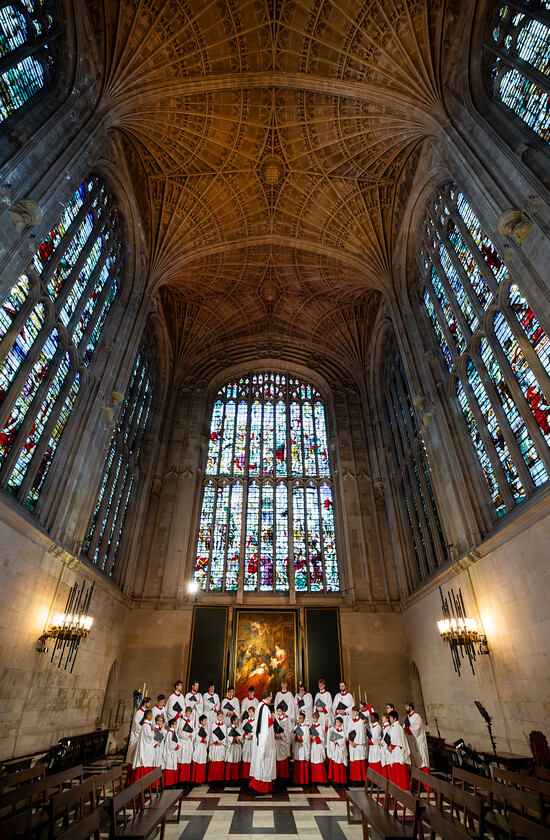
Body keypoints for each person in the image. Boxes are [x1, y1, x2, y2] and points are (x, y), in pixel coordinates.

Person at [249, 689, 276, 795]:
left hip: (259, 738)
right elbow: (264, 727)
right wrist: (264, 744)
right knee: (265, 763)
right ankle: (260, 787)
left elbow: (260, 723)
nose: (272, 698)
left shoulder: (260, 705)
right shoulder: (265, 709)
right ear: (268, 697)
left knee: (262, 763)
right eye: (271, 696)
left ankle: (258, 786)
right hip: (265, 740)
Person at [126, 696, 151, 783]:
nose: (150, 704)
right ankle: (132, 780)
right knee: (134, 758)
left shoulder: (146, 713)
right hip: (137, 737)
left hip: (143, 737)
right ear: (145, 703)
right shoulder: (139, 713)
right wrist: (144, 730)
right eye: (149, 703)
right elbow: (137, 726)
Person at [386, 710, 411, 790]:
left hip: (398, 753)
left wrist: (390, 747)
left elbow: (396, 739)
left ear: (394, 718)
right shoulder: (394, 727)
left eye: (390, 717)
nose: (389, 719)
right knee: (396, 772)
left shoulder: (397, 727)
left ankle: (403, 789)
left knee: (400, 773)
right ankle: (397, 789)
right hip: (394, 752)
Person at [404, 702, 430, 774]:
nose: (405, 708)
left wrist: (407, 729)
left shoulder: (416, 716)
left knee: (421, 761)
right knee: (414, 762)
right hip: (411, 742)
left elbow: (417, 729)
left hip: (418, 743)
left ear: (410, 707)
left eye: (406, 707)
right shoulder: (408, 718)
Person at [133, 709, 155, 781]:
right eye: (151, 715)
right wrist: (153, 731)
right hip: (145, 747)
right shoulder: (146, 725)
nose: (152, 716)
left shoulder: (148, 724)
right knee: (144, 763)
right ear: (148, 716)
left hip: (148, 746)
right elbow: (149, 736)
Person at [347, 706, 367, 784]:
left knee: (360, 763)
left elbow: (361, 733)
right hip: (352, 744)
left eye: (354, 712)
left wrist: (356, 742)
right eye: (352, 711)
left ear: (358, 712)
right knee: (353, 763)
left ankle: (361, 780)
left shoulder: (361, 722)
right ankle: (354, 779)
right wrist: (351, 741)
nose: (353, 713)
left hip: (359, 745)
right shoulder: (350, 721)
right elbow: (348, 731)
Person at [327, 715, 347, 785]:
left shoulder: (343, 732)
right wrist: (333, 741)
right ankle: (335, 781)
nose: (337, 723)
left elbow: (343, 741)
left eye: (338, 722)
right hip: (335, 750)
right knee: (335, 767)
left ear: (341, 723)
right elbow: (331, 739)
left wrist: (337, 742)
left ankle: (341, 781)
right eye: (336, 722)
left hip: (340, 750)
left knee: (340, 766)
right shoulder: (334, 730)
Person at [176, 706, 194, 784]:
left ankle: (187, 780)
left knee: (187, 760)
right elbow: (180, 733)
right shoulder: (182, 721)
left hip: (189, 743)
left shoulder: (191, 721)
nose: (189, 715)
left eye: (190, 713)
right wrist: (187, 735)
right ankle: (181, 781)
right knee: (183, 760)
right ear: (185, 713)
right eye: (188, 713)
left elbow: (194, 731)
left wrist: (191, 735)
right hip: (183, 742)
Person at [208, 710, 227, 783]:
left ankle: (220, 780)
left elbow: (225, 735)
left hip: (221, 746)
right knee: (214, 761)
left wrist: (222, 741)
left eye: (222, 716)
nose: (221, 718)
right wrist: (216, 741)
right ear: (217, 717)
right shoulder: (213, 725)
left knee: (220, 762)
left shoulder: (224, 726)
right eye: (220, 716)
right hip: (215, 746)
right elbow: (212, 735)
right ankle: (213, 780)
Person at [292, 711, 310, 784]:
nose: (299, 719)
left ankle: (303, 781)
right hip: (297, 746)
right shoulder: (296, 727)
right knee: (297, 763)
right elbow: (292, 736)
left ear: (304, 719)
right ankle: (296, 780)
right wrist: (296, 737)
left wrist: (301, 738)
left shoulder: (306, 728)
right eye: (299, 718)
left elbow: (307, 739)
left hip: (303, 747)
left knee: (303, 764)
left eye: (301, 718)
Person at [274, 704, 291, 782]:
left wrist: (280, 735)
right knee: (276, 759)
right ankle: (276, 776)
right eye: (277, 711)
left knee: (282, 759)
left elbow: (287, 732)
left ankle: (283, 778)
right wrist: (274, 735)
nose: (278, 712)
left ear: (282, 712)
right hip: (275, 742)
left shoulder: (285, 720)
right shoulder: (275, 720)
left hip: (282, 741)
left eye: (280, 711)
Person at [309, 710, 327, 784]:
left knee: (319, 762)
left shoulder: (320, 727)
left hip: (318, 747)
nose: (314, 719)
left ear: (318, 718)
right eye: (313, 718)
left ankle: (322, 780)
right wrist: (311, 738)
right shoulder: (311, 727)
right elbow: (308, 736)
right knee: (313, 762)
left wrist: (316, 738)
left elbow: (322, 738)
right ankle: (314, 780)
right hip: (313, 746)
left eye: (315, 718)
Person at [191, 713, 209, 784]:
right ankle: (195, 780)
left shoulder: (205, 729)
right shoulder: (197, 728)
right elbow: (196, 737)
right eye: (204, 720)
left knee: (202, 762)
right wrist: (202, 740)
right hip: (199, 747)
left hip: (203, 747)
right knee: (197, 761)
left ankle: (201, 780)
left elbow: (207, 737)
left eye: (206, 720)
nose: (205, 722)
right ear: (201, 721)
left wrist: (206, 740)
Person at [162, 718, 180, 787]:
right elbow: (170, 743)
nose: (176, 725)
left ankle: (171, 783)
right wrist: (176, 746)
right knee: (169, 767)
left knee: (172, 767)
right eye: (175, 724)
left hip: (173, 752)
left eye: (176, 724)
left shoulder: (173, 732)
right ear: (171, 725)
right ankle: (167, 784)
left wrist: (178, 745)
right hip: (169, 753)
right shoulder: (170, 733)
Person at [225, 713, 242, 781]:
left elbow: (240, 737)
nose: (237, 721)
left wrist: (239, 739)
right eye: (236, 720)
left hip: (237, 747)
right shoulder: (229, 729)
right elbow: (229, 738)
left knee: (236, 761)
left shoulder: (238, 729)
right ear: (233, 721)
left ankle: (236, 779)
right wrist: (235, 739)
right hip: (231, 747)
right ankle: (229, 779)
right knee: (231, 761)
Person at [366, 712, 384, 776]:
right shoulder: (372, 726)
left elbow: (375, 739)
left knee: (376, 763)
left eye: (372, 717)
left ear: (376, 719)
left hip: (376, 748)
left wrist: (369, 741)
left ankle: (377, 780)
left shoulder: (377, 727)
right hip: (372, 748)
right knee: (372, 763)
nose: (371, 718)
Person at [241, 706, 255, 781]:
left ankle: (252, 777)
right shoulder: (245, 721)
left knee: (252, 758)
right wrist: (246, 736)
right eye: (249, 711)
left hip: (253, 742)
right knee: (246, 757)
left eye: (252, 712)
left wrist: (252, 735)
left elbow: (258, 733)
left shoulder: (256, 722)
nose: (251, 713)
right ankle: (246, 777)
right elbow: (241, 732)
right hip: (247, 742)